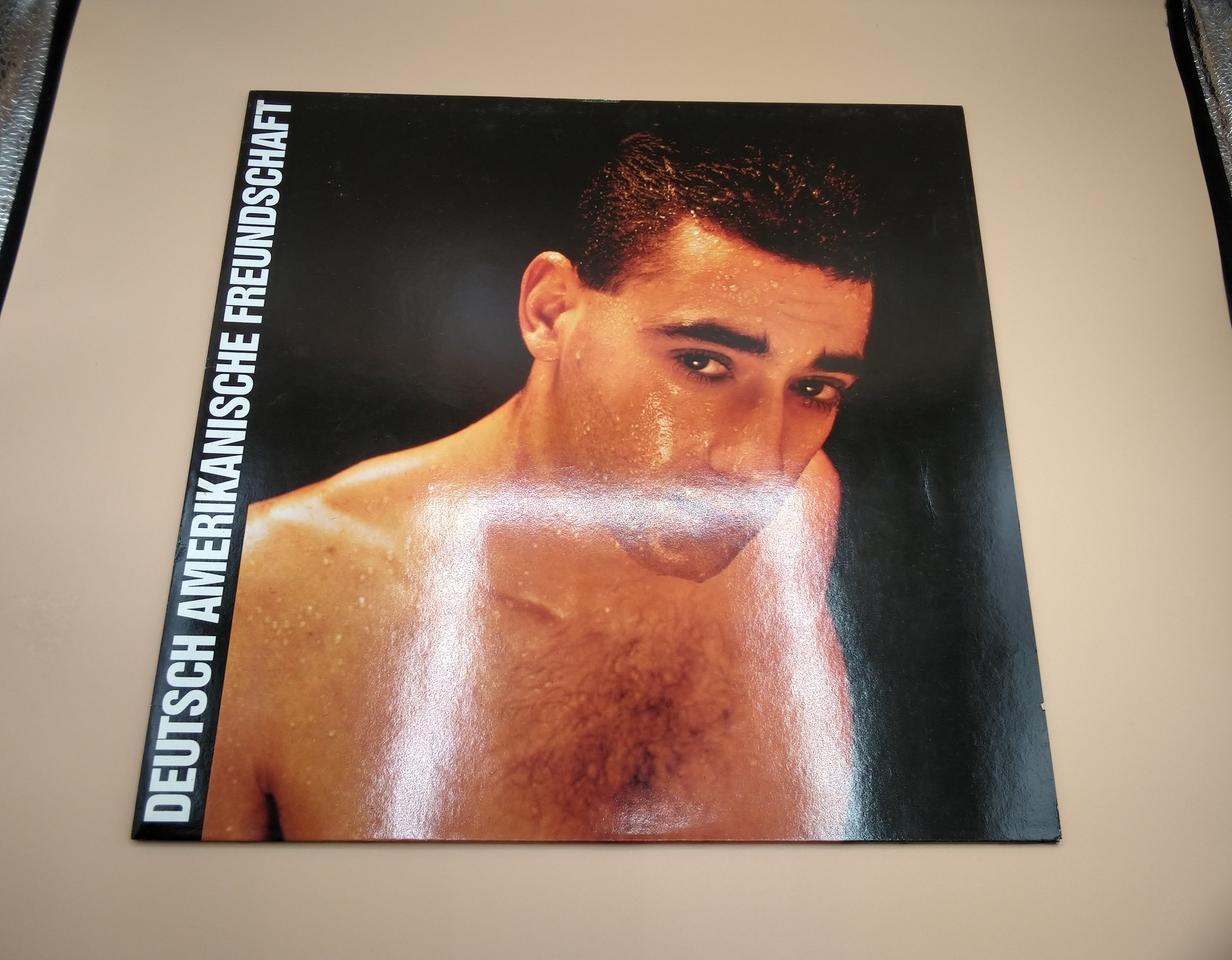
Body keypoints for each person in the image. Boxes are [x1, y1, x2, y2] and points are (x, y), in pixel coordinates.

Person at [204, 133, 876, 841]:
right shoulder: (268, 587)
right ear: (550, 312)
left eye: (814, 388)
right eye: (702, 362)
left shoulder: (802, 506)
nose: (757, 464)